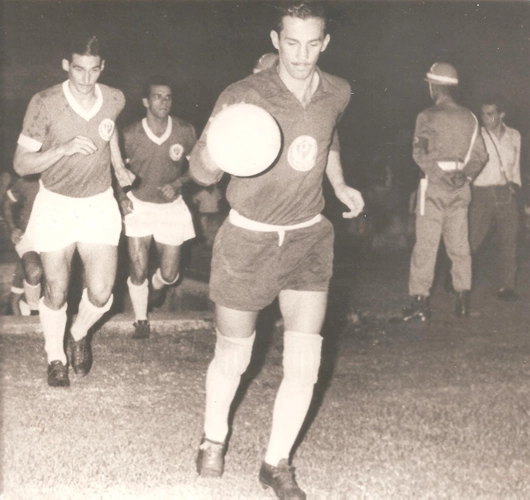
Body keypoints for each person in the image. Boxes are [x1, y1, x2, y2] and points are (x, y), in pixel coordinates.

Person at [189, 3, 364, 498]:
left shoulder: (339, 91)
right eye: (291, 42)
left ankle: (276, 461)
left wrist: (342, 184)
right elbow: (203, 174)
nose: (302, 54)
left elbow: (327, 139)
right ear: (275, 38)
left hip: (309, 236)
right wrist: (215, 142)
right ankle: (213, 437)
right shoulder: (243, 94)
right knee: (234, 353)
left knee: (305, 360)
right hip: (248, 237)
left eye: (313, 43)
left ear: (325, 42)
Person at [13, 34, 135, 388]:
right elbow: (21, 164)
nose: (85, 79)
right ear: (67, 65)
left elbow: (108, 130)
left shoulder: (114, 97)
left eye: (93, 70)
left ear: (102, 68)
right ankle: (55, 356)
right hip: (56, 204)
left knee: (100, 293)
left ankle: (78, 333)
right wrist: (62, 149)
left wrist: (118, 168)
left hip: (97, 204)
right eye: (78, 69)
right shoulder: (45, 102)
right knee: (56, 290)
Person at [402, 62, 488, 321]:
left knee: (426, 246)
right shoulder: (470, 117)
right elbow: (481, 154)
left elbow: (419, 153)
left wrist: (440, 176)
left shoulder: (427, 116)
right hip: (461, 188)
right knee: (459, 247)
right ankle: (462, 301)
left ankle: (420, 303)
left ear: (433, 86)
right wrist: (465, 175)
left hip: (434, 188)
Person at [117, 77, 197, 339]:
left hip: (171, 208)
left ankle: (157, 284)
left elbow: (198, 168)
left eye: (167, 97)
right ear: (145, 101)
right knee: (137, 267)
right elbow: (114, 170)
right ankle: (141, 320)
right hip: (139, 205)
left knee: (170, 274)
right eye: (157, 96)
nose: (163, 102)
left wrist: (178, 181)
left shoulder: (185, 131)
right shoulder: (129, 134)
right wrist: (122, 197)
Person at [469, 94, 522, 302]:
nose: (485, 118)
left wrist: (516, 187)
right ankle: (458, 280)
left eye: (490, 113)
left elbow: (515, 165)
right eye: (482, 113)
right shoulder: (477, 136)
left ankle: (506, 287)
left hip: (505, 192)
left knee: (509, 241)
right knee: (472, 241)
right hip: (481, 193)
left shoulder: (514, 135)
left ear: (502, 114)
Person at [2, 174, 42, 315]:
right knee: (34, 270)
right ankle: (33, 311)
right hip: (27, 236)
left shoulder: (61, 178)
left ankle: (20, 301)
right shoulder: (27, 181)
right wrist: (13, 228)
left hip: (53, 237)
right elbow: (6, 203)